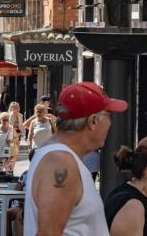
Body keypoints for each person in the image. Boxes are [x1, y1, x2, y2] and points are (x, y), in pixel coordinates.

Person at [24, 82, 128, 235]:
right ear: (93, 121)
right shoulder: (60, 162)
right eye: (109, 116)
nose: (110, 123)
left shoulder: (58, 156)